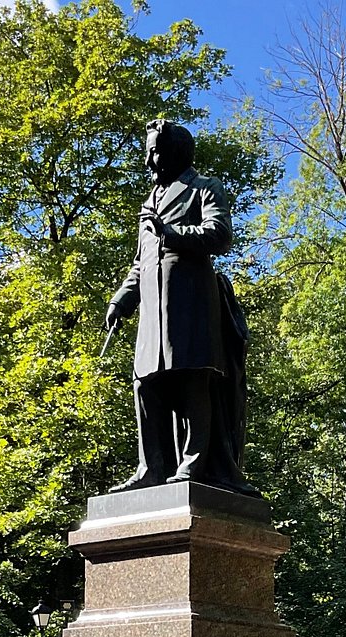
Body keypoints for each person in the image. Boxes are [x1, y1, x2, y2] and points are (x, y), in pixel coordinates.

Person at [105, 119, 257, 495]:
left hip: (190, 305)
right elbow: (140, 264)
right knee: (146, 385)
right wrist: (121, 301)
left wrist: (172, 233)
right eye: (147, 152)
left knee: (190, 380)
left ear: (173, 151)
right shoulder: (149, 202)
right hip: (153, 310)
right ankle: (150, 467)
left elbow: (220, 234)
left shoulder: (203, 188)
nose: (148, 161)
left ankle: (194, 463)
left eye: (154, 151)